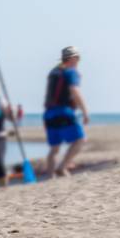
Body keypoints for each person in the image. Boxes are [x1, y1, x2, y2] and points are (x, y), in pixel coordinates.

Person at [42, 45, 89, 177]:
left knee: (54, 148)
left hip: (49, 114)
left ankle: (50, 177)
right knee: (80, 140)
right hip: (63, 111)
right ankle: (62, 167)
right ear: (74, 58)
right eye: (78, 59)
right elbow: (75, 91)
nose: (78, 62)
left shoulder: (53, 73)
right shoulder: (71, 72)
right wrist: (85, 111)